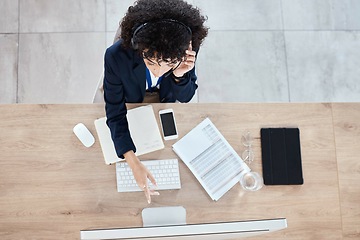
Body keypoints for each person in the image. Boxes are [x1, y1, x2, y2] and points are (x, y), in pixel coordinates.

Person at [103, 0, 208, 203]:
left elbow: (185, 97)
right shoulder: (115, 57)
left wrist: (178, 75)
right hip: (129, 96)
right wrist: (133, 162)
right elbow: (115, 112)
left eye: (167, 63)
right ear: (139, 48)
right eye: (151, 61)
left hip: (163, 99)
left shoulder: (182, 53)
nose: (158, 71)